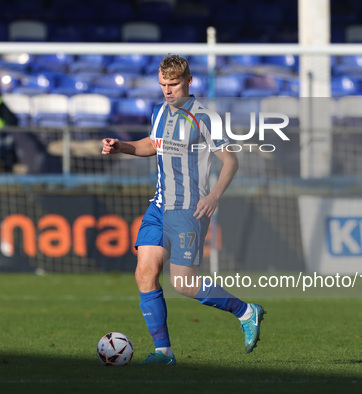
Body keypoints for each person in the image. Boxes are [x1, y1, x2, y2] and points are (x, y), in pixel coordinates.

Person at [101, 54, 265, 365]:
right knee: (144, 274)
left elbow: (231, 160)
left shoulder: (205, 117)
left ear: (189, 81)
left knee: (184, 285)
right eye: (162, 84)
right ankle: (163, 352)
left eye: (173, 84)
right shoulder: (160, 111)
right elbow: (153, 144)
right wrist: (121, 146)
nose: (167, 90)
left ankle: (246, 311)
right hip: (159, 205)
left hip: (189, 208)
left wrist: (214, 195)